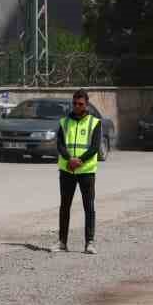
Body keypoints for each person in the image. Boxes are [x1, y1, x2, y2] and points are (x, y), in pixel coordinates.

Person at [56, 90, 102, 254]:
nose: (77, 106)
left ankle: (89, 242)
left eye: (80, 104)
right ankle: (62, 242)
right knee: (65, 206)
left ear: (86, 104)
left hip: (86, 171)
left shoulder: (94, 122)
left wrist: (79, 160)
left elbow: (94, 147)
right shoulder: (64, 122)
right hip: (67, 170)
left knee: (89, 207)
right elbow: (60, 145)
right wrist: (70, 159)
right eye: (74, 103)